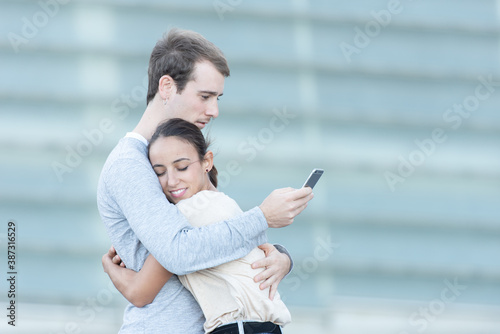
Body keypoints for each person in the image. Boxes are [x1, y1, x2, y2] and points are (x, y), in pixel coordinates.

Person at [97, 28, 313, 333]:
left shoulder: (182, 160)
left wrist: (279, 256)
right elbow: (178, 252)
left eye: (217, 98)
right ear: (167, 87)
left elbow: (215, 237)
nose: (214, 111)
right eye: (205, 97)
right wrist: (263, 217)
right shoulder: (129, 165)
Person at [103, 118, 291, 334]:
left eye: (181, 167)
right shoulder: (225, 204)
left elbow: (140, 292)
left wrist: (107, 264)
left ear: (207, 162)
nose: (171, 181)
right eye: (159, 172)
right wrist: (285, 257)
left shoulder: (191, 212)